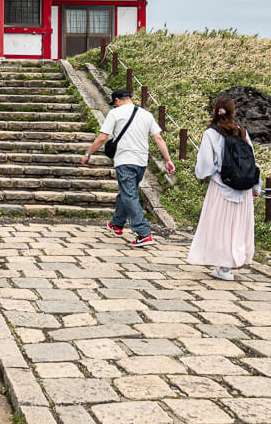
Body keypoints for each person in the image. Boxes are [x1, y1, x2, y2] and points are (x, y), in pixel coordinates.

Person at [81, 88, 174, 246]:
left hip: (125, 159)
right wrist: (168, 160)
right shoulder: (146, 114)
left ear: (117, 100)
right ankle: (116, 225)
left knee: (129, 195)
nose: (114, 106)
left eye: (114, 104)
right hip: (141, 161)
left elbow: (103, 137)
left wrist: (88, 153)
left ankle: (143, 232)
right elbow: (158, 137)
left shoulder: (115, 114)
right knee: (127, 192)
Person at [188, 96, 259, 281]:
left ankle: (224, 267)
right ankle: (231, 262)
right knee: (237, 226)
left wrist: (204, 174)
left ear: (214, 112)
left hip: (222, 186)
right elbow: (251, 160)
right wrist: (254, 186)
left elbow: (205, 164)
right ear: (233, 112)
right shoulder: (241, 131)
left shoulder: (211, 133)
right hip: (243, 189)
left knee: (219, 226)